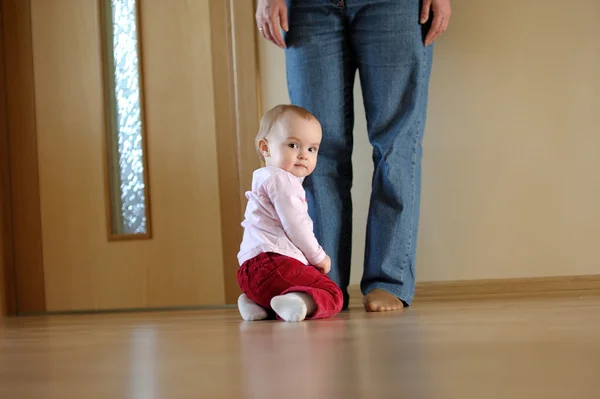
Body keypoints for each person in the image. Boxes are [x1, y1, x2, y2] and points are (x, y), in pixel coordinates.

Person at [255, 0, 452, 312]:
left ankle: (389, 280)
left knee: (396, 147)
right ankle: (323, 282)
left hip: (395, 6)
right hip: (308, 8)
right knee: (312, 153)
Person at [237, 104, 344, 322]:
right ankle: (297, 301)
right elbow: (295, 225)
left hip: (248, 271)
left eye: (312, 149)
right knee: (333, 293)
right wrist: (317, 256)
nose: (304, 155)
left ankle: (254, 301)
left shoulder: (263, 177)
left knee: (283, 281)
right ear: (265, 147)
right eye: (294, 145)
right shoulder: (283, 180)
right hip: (274, 262)